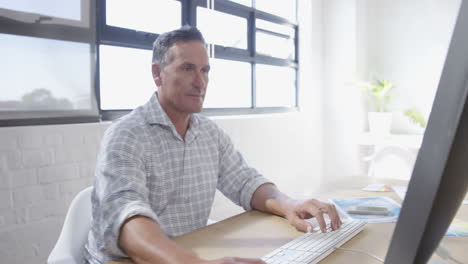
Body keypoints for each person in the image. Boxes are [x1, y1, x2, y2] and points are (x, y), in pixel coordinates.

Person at [84, 26, 342, 264]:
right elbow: (126, 218)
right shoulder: (126, 135)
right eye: (187, 68)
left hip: (187, 252)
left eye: (205, 70)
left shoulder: (209, 133)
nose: (200, 82)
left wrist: (289, 204)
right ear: (157, 74)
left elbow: (245, 182)